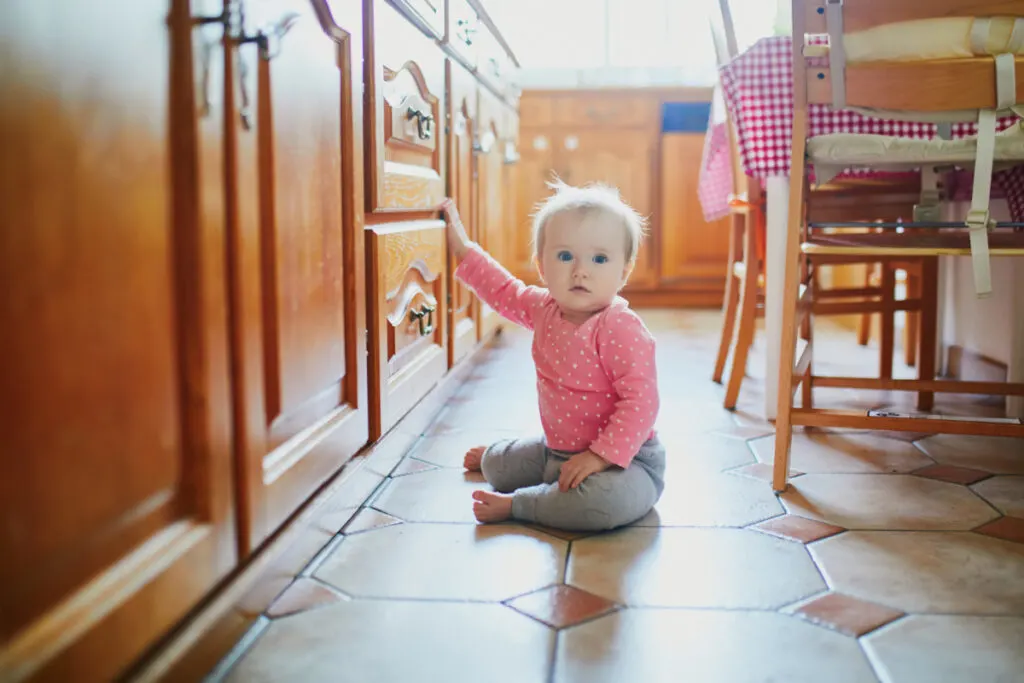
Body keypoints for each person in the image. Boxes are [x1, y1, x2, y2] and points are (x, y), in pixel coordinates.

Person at [441, 180, 665, 532]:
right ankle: (501, 458)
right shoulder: (543, 308)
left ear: (624, 270)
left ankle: (522, 505)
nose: (581, 270)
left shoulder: (620, 328)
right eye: (565, 256)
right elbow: (502, 289)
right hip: (558, 451)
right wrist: (463, 249)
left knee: (597, 504)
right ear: (542, 266)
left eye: (599, 258)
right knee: (498, 468)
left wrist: (599, 456)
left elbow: (642, 403)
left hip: (627, 463)